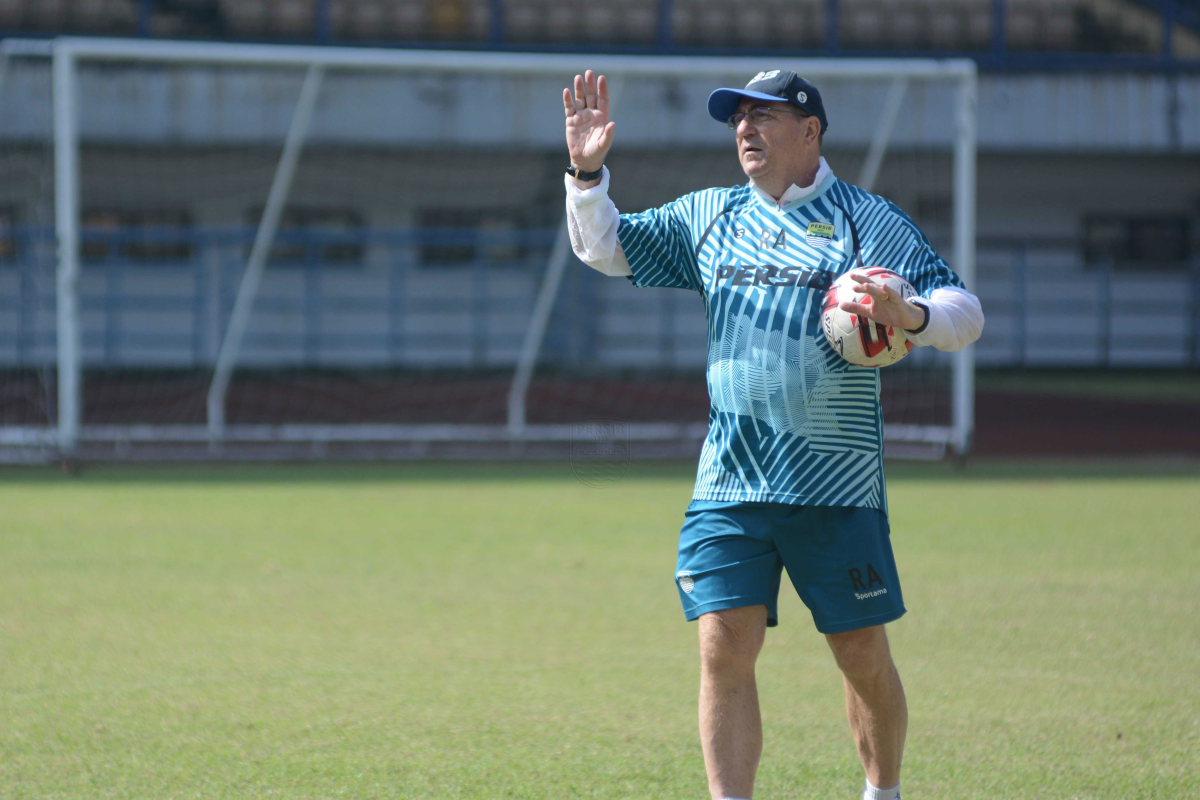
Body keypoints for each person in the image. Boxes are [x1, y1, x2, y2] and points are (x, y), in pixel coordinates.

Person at [562, 68, 984, 800]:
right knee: (723, 645)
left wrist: (909, 315)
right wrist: (587, 175)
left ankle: (881, 791)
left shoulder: (866, 218)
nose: (745, 131)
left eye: (762, 118)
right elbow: (608, 249)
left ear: (810, 130)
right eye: (736, 120)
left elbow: (964, 310)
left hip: (835, 485)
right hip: (730, 479)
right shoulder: (711, 215)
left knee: (860, 655)